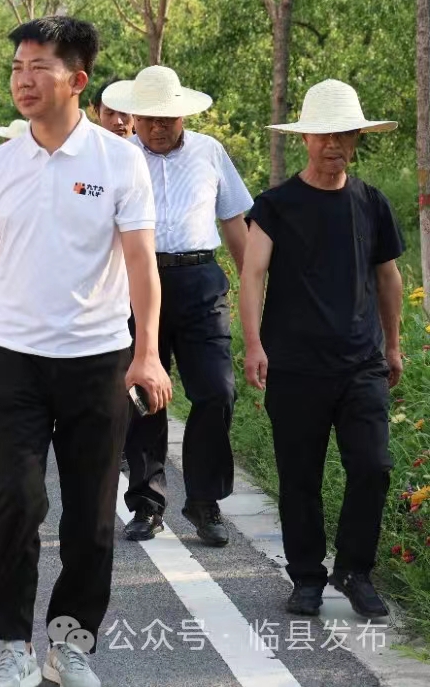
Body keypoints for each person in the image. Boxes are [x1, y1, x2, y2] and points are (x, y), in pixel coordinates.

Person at [0, 17, 171, 687]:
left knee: (90, 514)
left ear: (77, 79)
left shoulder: (119, 160)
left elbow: (142, 262)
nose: (23, 79)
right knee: (17, 499)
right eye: (18, 66)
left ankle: (68, 644)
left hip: (98, 357)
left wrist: (147, 353)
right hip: (16, 356)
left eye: (39, 67)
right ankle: (13, 646)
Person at [240, 79, 403, 621]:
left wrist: (394, 345)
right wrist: (254, 343)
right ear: (306, 139)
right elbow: (252, 273)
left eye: (345, 135)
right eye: (324, 135)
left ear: (357, 140)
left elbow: (389, 279)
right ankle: (306, 577)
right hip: (295, 365)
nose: (334, 145)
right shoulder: (276, 205)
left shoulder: (370, 202)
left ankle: (355, 570)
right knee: (301, 476)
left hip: (362, 363)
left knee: (373, 467)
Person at [102, 66, 252, 547]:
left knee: (216, 391)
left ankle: (205, 502)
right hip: (134, 281)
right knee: (143, 395)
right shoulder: (116, 157)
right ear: (134, 117)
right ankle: (147, 504)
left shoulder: (210, 152)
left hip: (200, 281)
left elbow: (234, 223)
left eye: (168, 116)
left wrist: (254, 293)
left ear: (182, 113)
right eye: (148, 117)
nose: (159, 126)